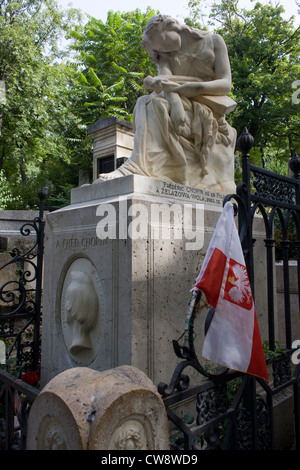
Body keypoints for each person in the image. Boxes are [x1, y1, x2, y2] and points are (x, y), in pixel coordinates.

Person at [97, 15, 237, 192]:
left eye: (161, 44)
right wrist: (176, 103)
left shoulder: (214, 41)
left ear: (172, 28)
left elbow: (225, 84)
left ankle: (147, 167)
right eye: (157, 49)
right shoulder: (164, 55)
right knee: (145, 103)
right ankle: (137, 164)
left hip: (207, 106)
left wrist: (190, 88)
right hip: (181, 103)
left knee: (152, 104)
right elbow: (166, 81)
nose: (162, 52)